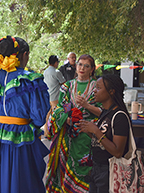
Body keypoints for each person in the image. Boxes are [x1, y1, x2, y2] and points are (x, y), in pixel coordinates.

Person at [0, 36, 51, 193]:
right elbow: (38, 118)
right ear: (24, 55)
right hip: (21, 139)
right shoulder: (32, 81)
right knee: (21, 182)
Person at [45, 54, 102, 193]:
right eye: (80, 64)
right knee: (66, 169)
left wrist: (87, 106)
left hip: (88, 137)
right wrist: (66, 118)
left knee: (86, 170)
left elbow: (104, 112)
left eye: (86, 66)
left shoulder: (97, 88)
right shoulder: (67, 86)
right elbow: (57, 108)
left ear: (92, 69)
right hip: (68, 136)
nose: (82, 68)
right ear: (75, 67)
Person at [77, 74, 130, 192]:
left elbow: (117, 151)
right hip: (97, 167)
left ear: (111, 91)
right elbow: (103, 140)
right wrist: (89, 130)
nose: (94, 91)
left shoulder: (119, 116)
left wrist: (96, 130)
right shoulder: (105, 113)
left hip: (110, 170)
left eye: (99, 88)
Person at [43, 55, 66, 135]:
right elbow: (63, 83)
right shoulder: (56, 72)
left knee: (47, 115)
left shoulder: (45, 71)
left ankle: (46, 133)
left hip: (47, 97)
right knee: (56, 115)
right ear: (56, 63)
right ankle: (56, 133)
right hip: (55, 98)